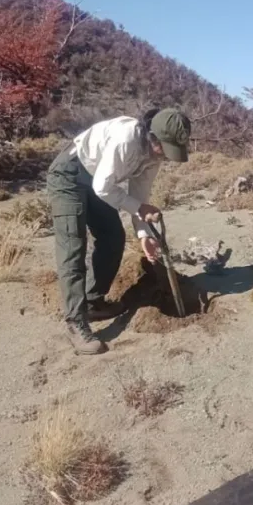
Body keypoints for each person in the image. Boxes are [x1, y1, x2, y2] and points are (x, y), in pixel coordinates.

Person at [46, 107, 191, 355]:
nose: (164, 156)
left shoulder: (153, 158)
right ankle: (75, 321)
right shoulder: (126, 139)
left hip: (98, 181)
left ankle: (93, 301)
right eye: (164, 149)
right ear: (152, 137)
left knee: (113, 237)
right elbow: (105, 187)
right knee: (73, 246)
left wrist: (144, 235)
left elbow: (139, 197)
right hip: (70, 174)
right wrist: (139, 208)